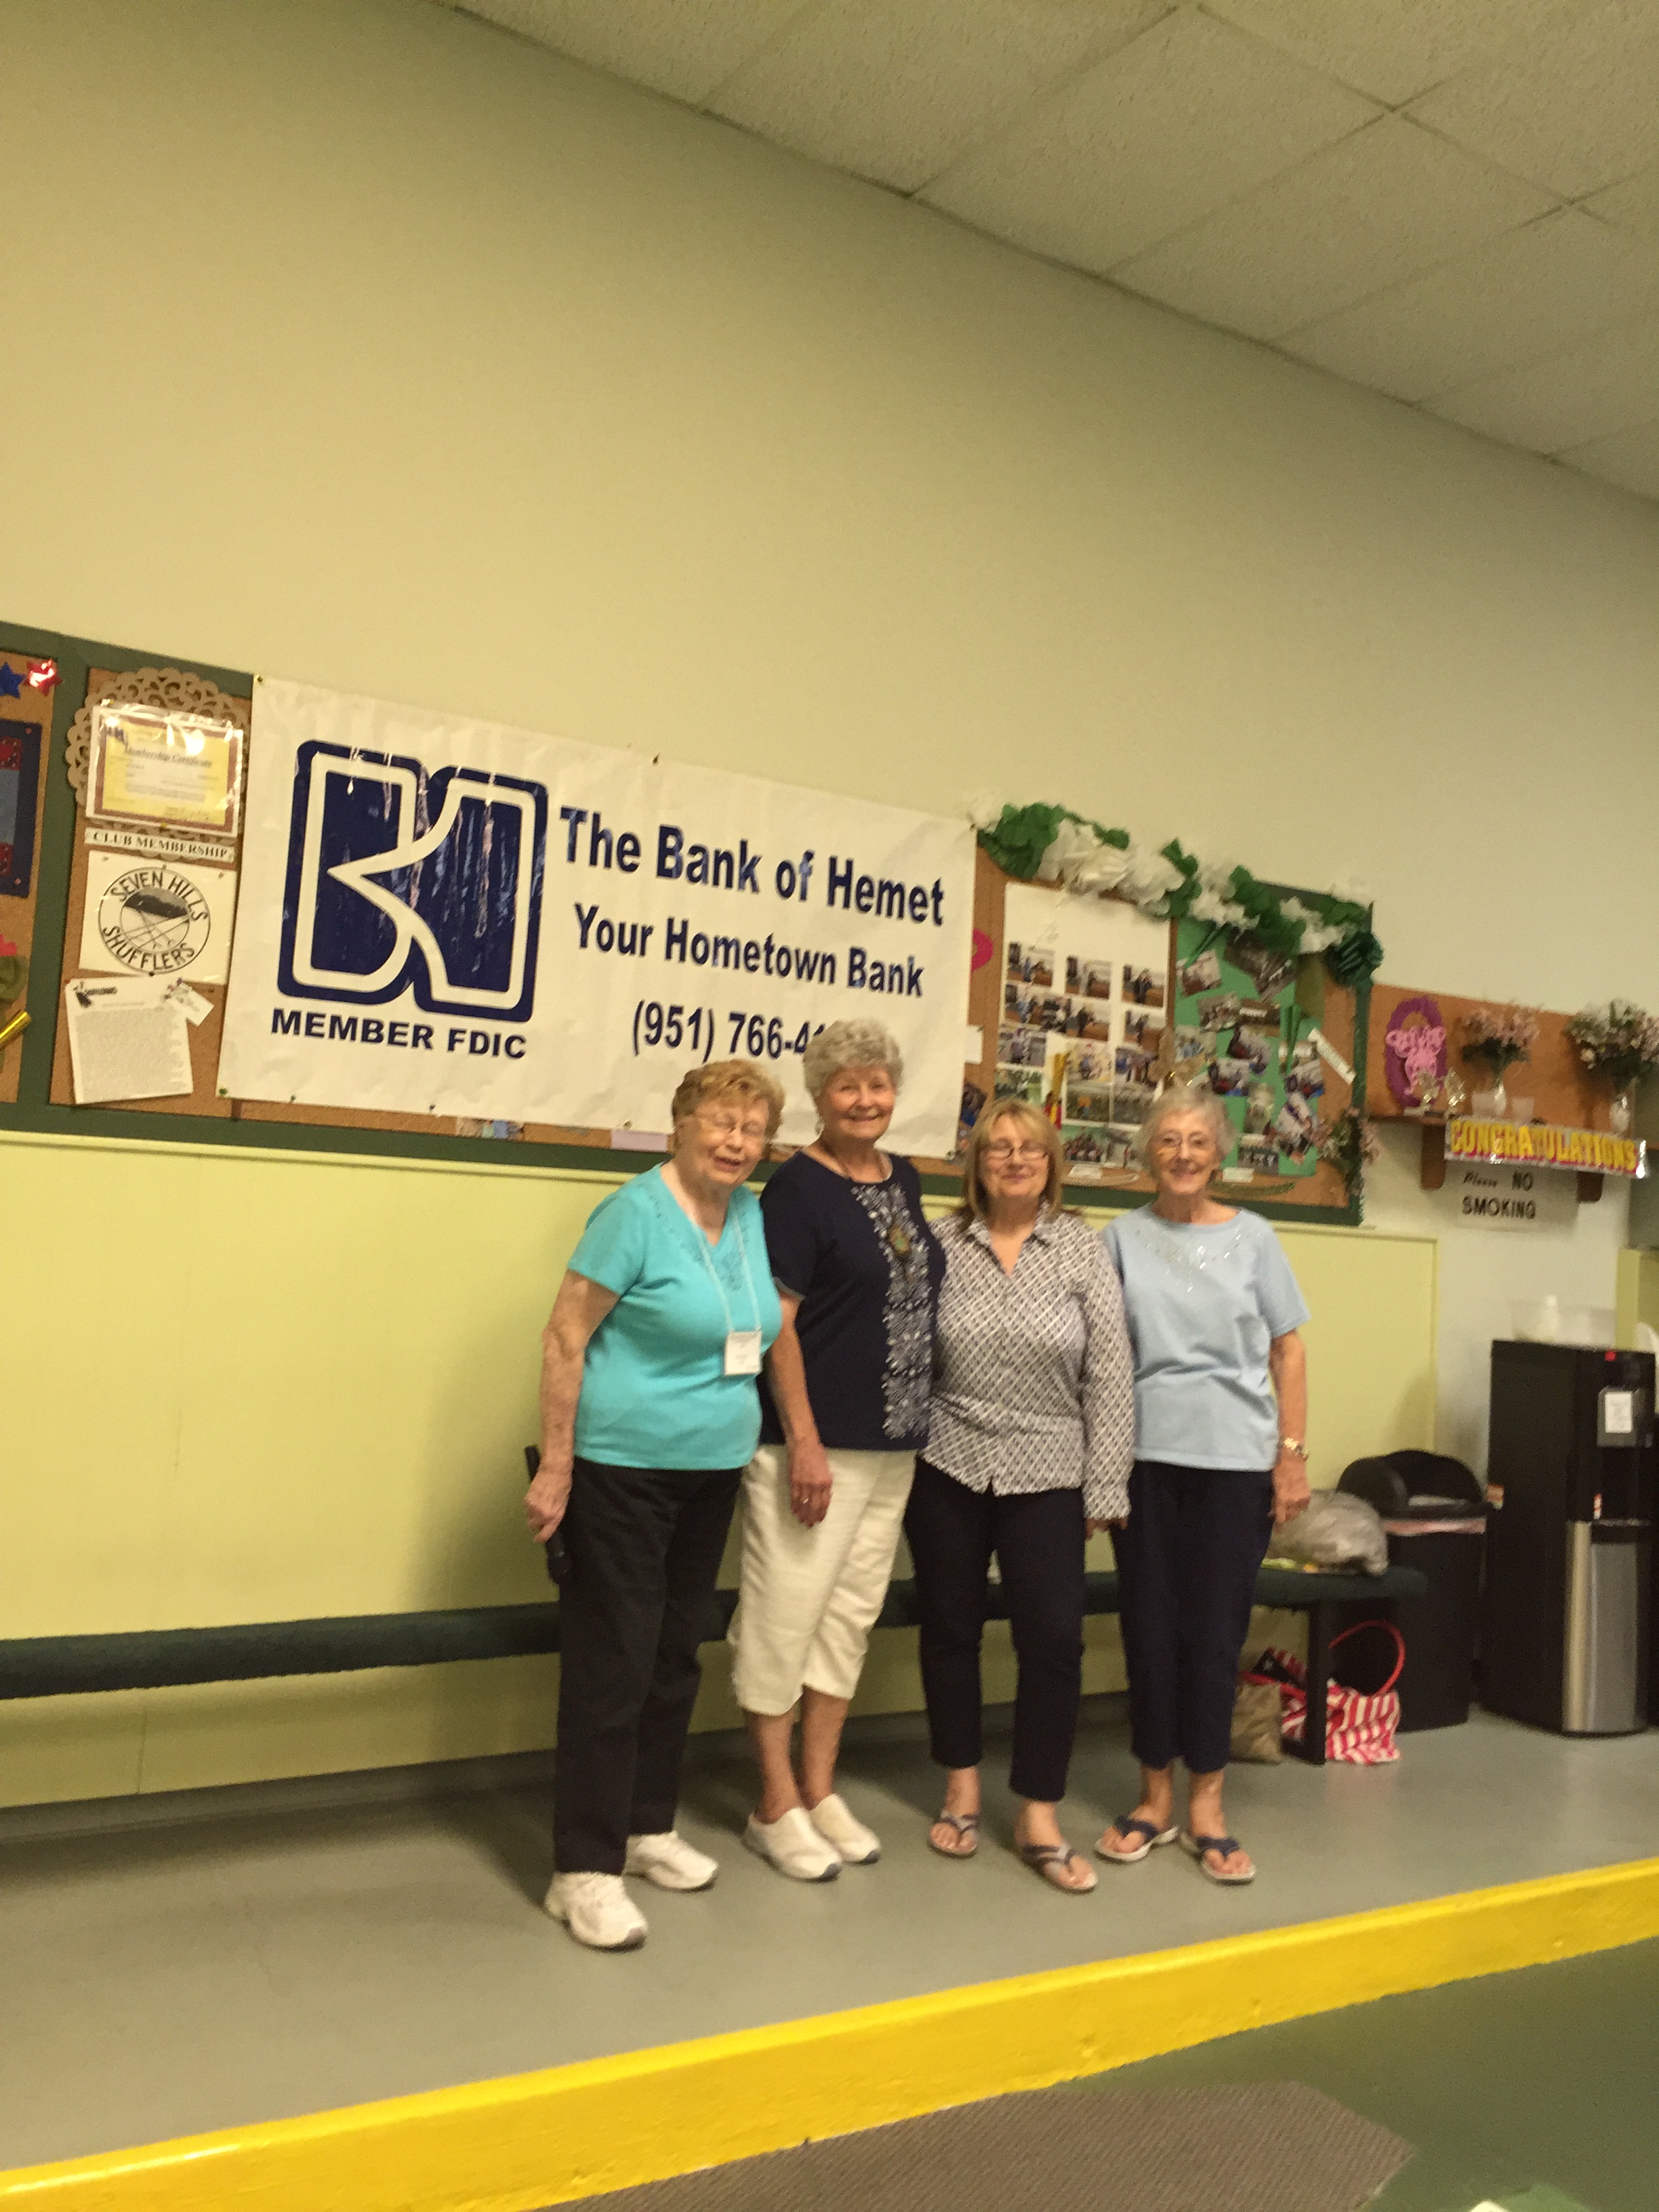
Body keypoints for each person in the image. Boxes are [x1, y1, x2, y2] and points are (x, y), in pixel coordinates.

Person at [525, 1060, 784, 1951]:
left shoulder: (748, 1213)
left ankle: (645, 1829)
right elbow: (565, 1337)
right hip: (621, 1469)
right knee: (615, 1663)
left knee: (674, 1655)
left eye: (752, 1129)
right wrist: (557, 1466)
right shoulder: (633, 1212)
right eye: (721, 1122)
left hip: (712, 1467)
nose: (736, 1142)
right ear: (680, 1125)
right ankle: (582, 1870)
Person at [728, 1018, 943, 1881]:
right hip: (812, 1449)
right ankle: (773, 1803)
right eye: (847, 1086)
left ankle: (820, 1790)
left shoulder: (906, 1178)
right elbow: (777, 1326)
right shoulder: (795, 1189)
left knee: (849, 1619)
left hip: (895, 1444)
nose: (865, 1099)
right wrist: (805, 1440)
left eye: (877, 1084)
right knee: (784, 1617)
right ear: (819, 1098)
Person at [908, 1099, 1133, 1892]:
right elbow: (909, 1351)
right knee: (950, 1628)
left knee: (1054, 1641)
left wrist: (1106, 1482)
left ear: (1050, 1164)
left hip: (1050, 1466)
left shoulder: (1081, 1248)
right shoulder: (941, 1242)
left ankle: (1039, 1809)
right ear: (977, 1163)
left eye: (1029, 1148)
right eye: (998, 1148)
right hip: (949, 1457)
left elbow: (1110, 1371)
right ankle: (961, 1787)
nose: (1013, 1159)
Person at [1097, 1084, 1310, 1886]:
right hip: (1143, 1461)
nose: (1182, 1154)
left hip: (1236, 1464)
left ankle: (1208, 1808)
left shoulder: (1255, 1238)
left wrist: (1291, 1456)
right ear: (1146, 1154)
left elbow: (1288, 1350)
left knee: (1215, 1636)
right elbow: (1101, 1355)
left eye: (1197, 1141)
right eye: (1168, 1140)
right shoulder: (1120, 1239)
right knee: (1150, 1632)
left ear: (1218, 1156)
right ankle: (1154, 1799)